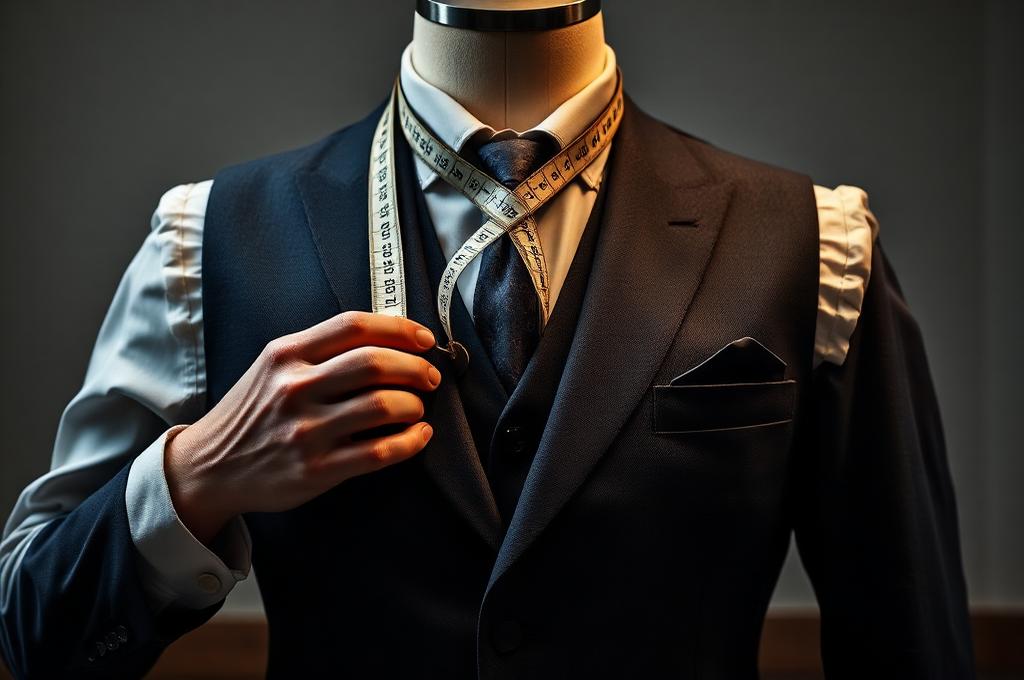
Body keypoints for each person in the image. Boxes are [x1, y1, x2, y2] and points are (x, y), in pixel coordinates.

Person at [0, 2, 974, 677]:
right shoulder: (205, 238)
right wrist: (197, 472)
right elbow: (34, 632)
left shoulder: (808, 238)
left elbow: (907, 639)